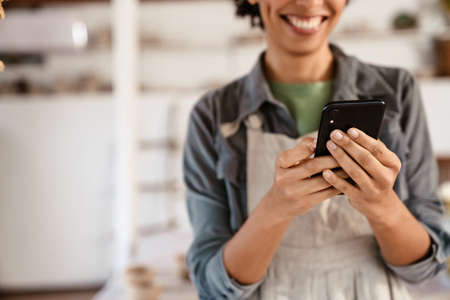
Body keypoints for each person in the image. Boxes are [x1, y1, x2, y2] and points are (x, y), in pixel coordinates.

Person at [183, 0, 450, 299]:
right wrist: (275, 209)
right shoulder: (214, 115)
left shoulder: (398, 91)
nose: (309, 3)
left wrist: (383, 206)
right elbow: (212, 286)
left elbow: (425, 269)